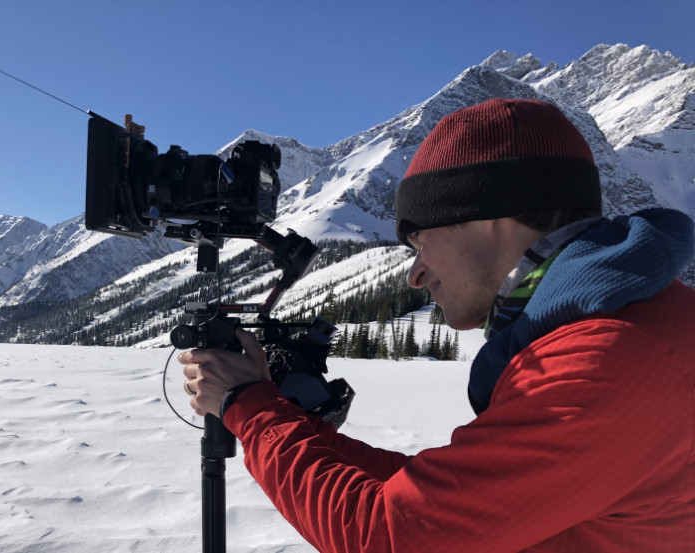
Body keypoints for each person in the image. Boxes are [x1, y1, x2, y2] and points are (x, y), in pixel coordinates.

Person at [178, 98, 695, 552]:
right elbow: (433, 498)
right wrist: (286, 422)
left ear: (492, 214)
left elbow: (391, 534)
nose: (416, 273)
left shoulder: (608, 361)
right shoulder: (620, 323)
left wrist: (248, 407)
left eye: (422, 240)